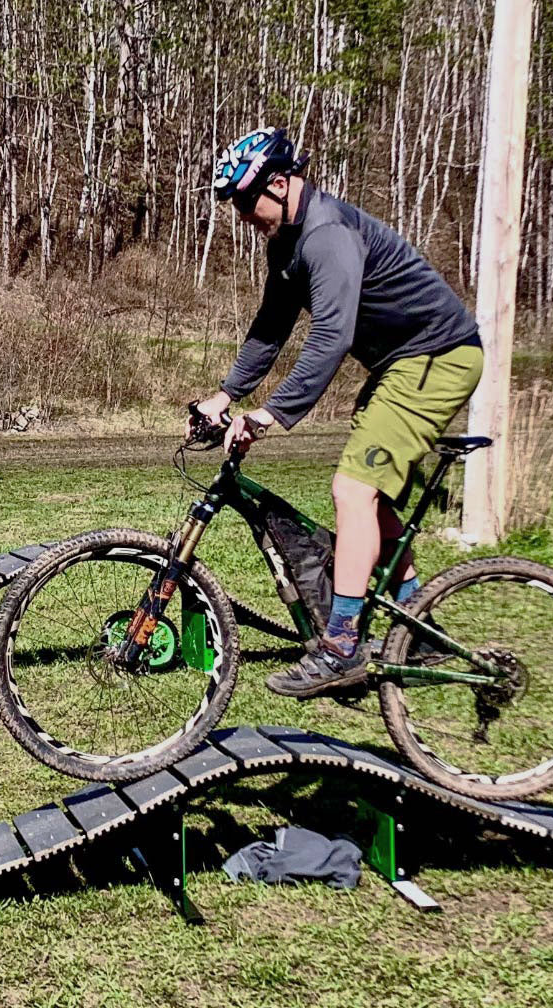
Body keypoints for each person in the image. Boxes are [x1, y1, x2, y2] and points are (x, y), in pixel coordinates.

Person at [193, 127, 483, 699]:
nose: (244, 215)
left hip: (437, 357)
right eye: (236, 205)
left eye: (248, 201)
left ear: (279, 183)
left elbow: (330, 334)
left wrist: (271, 414)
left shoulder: (326, 235)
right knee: (369, 500)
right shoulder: (289, 242)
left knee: (352, 490)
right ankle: (418, 625)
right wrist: (226, 396)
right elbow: (272, 328)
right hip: (402, 364)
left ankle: (340, 646)